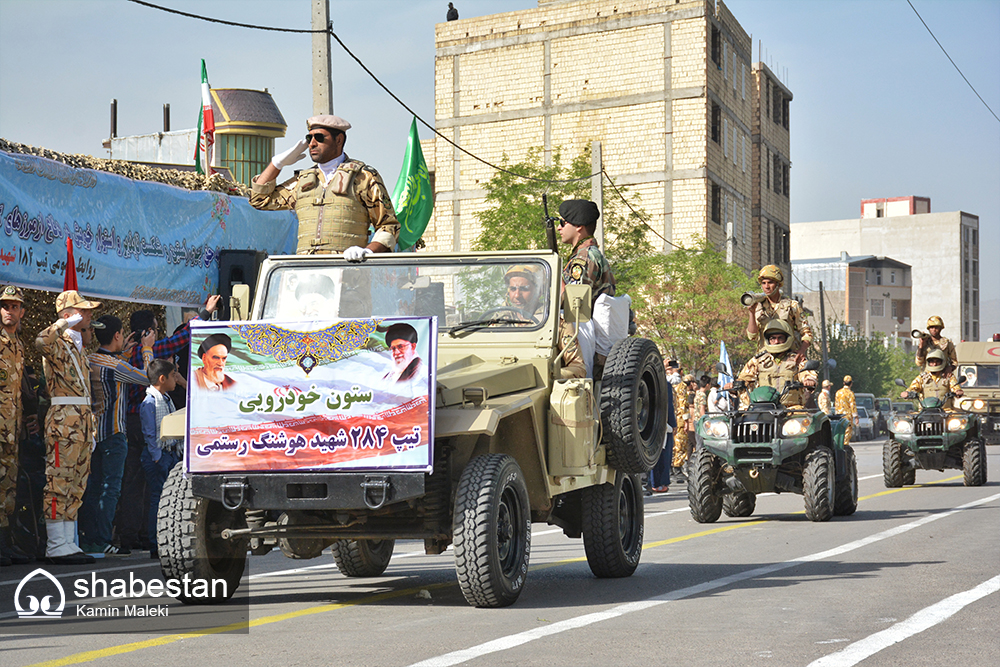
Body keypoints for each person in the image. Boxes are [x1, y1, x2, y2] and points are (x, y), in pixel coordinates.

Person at [117, 296, 219, 553]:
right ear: (149, 331)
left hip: (128, 420)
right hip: (149, 423)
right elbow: (183, 336)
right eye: (155, 328)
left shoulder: (125, 353)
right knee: (156, 486)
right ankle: (147, 535)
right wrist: (205, 313)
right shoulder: (156, 351)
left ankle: (131, 534)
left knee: (133, 481)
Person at [250, 115, 400, 261]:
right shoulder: (303, 181)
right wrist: (277, 164)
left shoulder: (363, 177)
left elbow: (388, 226)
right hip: (308, 273)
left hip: (348, 273)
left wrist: (367, 251)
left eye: (319, 138)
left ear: (339, 140)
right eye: (309, 138)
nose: (312, 144)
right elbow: (259, 200)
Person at [35, 290, 103, 565]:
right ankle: (55, 544)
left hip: (81, 424)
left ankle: (66, 542)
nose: (88, 315)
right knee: (58, 482)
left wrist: (92, 427)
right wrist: (63, 324)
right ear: (68, 314)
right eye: (83, 311)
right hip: (64, 424)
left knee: (76, 484)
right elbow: (40, 342)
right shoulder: (58, 342)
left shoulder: (78, 347)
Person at [79, 316, 154, 556]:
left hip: (91, 433)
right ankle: (101, 540)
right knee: (110, 489)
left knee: (93, 488)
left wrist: (123, 353)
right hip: (113, 434)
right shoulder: (115, 366)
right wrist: (147, 350)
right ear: (117, 336)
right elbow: (148, 377)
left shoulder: (90, 359)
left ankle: (89, 539)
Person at [139, 359, 184, 559]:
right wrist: (157, 456)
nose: (176, 379)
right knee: (158, 499)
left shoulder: (165, 399)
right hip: (158, 455)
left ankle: (170, 540)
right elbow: (150, 432)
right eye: (174, 375)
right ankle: (156, 543)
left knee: (171, 499)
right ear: (162, 378)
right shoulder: (150, 401)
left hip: (169, 453)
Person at [1, 285, 31, 565]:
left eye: (15, 307)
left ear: (22, 311)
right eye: (5, 306)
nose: (10, 311)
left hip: (12, 427)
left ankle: (6, 542)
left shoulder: (18, 345)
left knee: (9, 486)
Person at [733, 320, 817, 409]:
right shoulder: (758, 360)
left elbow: (807, 373)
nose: (776, 341)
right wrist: (734, 385)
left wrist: (809, 380)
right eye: (772, 338)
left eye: (780, 338)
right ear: (768, 340)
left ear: (787, 338)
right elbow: (745, 377)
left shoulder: (797, 359)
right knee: (743, 419)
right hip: (763, 408)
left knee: (799, 421)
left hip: (791, 409)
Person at [746, 265, 812, 363]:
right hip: (765, 359)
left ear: (778, 284)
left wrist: (801, 351)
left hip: (788, 357)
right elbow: (752, 336)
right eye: (764, 283)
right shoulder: (758, 306)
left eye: (770, 283)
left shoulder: (792, 306)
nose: (766, 287)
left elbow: (807, 333)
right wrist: (752, 313)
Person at [557, 199, 616, 305]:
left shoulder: (584, 258)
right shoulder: (588, 253)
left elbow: (572, 303)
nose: (558, 228)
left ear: (579, 226)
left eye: (563, 223)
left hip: (582, 320)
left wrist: (555, 275)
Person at [382, 323, 425, 392]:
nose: (396, 352)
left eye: (400, 347)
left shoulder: (421, 373)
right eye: (393, 348)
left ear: (413, 346)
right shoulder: (388, 377)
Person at [835, 375, 858, 447]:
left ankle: (839, 446)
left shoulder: (838, 392)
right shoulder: (850, 393)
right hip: (848, 416)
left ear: (844, 383)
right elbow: (852, 406)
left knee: (840, 432)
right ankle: (845, 447)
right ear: (851, 383)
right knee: (847, 433)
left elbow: (836, 404)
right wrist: (856, 417)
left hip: (839, 416)